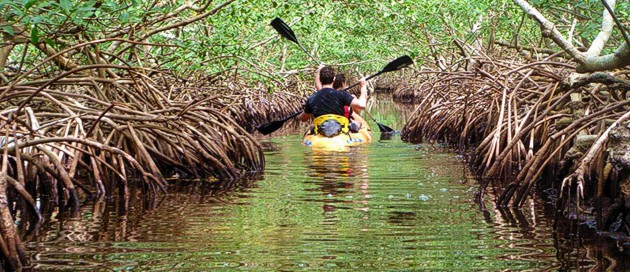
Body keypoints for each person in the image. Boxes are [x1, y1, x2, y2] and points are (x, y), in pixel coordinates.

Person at [299, 66, 367, 137]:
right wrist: (363, 87)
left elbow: (303, 119)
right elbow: (362, 105)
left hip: (320, 129)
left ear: (320, 80)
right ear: (334, 79)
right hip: (341, 129)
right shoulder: (342, 94)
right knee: (359, 123)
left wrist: (300, 115)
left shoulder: (312, 98)